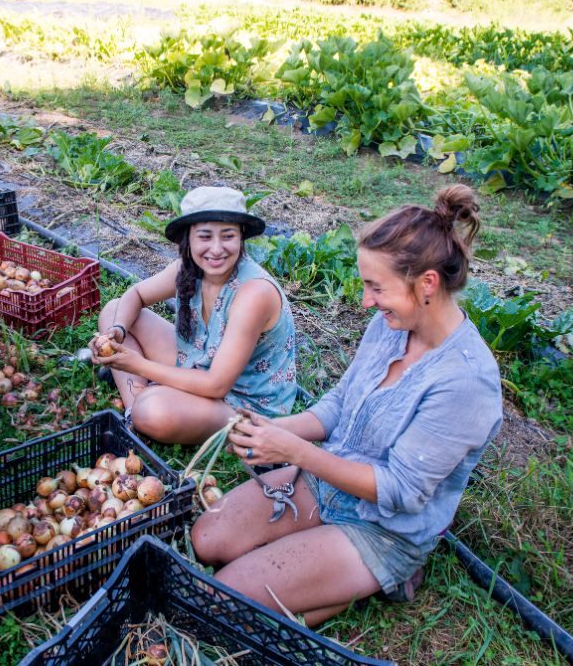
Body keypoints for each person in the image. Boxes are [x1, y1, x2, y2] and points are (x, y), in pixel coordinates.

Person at [191, 184, 503, 625]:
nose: (366, 301)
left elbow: (400, 491)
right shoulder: (391, 323)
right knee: (208, 539)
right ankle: (319, 572)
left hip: (382, 527)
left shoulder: (465, 381)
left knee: (223, 595)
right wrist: (275, 428)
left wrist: (296, 453)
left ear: (427, 284)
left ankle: (370, 573)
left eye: (376, 287)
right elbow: (340, 404)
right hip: (330, 480)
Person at [88, 186, 297, 445]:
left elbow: (216, 385)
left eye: (228, 236)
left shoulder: (253, 293)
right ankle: (136, 409)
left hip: (242, 401)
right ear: (189, 239)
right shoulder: (188, 269)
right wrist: (117, 332)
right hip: (201, 361)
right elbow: (136, 296)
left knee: (154, 411)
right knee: (114, 311)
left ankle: (148, 405)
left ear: (241, 238)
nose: (217, 249)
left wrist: (136, 364)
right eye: (205, 236)